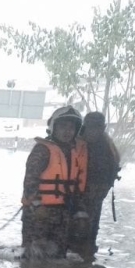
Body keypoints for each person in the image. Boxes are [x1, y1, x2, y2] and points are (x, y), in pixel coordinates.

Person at [21, 106, 88, 259]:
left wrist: (80, 212)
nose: (67, 131)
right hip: (38, 214)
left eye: (71, 127)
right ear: (54, 128)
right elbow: (30, 181)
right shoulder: (42, 150)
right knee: (33, 258)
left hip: (62, 214)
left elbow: (76, 187)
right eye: (63, 126)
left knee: (58, 257)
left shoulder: (73, 153)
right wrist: (37, 205)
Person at [72, 112, 121, 258]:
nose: (93, 131)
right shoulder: (75, 143)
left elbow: (111, 173)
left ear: (103, 128)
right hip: (72, 197)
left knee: (89, 234)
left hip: (95, 198)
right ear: (84, 126)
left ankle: (86, 261)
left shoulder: (107, 148)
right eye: (90, 127)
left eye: (97, 127)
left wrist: (98, 194)